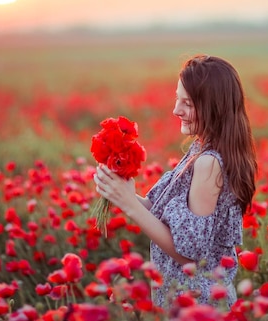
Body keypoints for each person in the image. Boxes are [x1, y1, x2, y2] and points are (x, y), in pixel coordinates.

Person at [94, 54, 258, 309]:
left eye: (188, 104)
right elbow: (170, 225)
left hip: (197, 306)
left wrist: (129, 204)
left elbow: (187, 253)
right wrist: (120, 191)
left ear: (214, 106)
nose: (176, 110)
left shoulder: (209, 163)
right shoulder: (200, 151)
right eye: (176, 99)